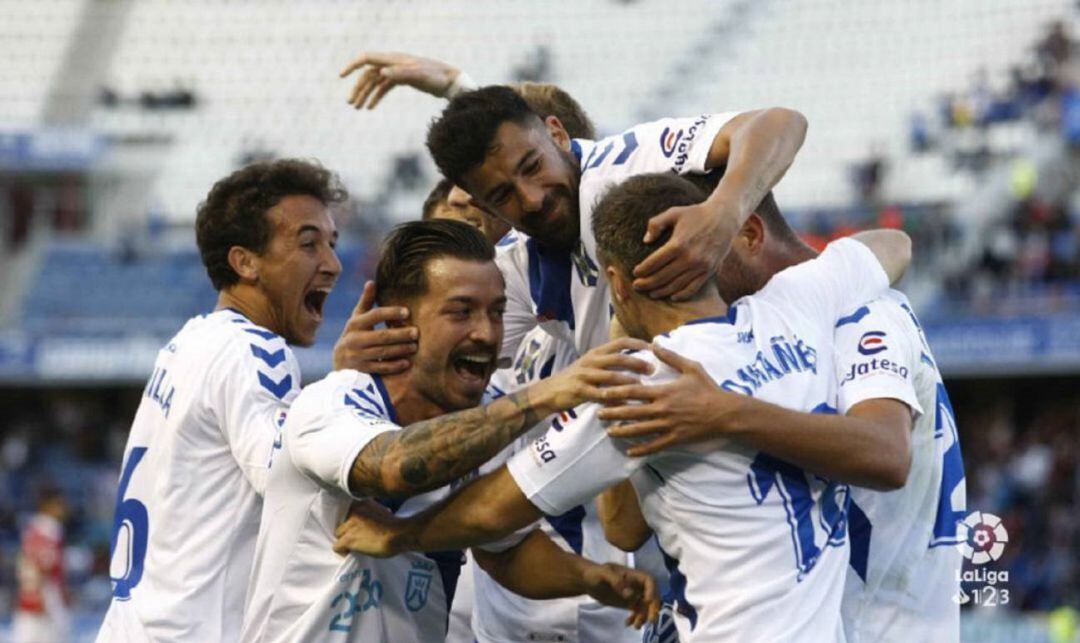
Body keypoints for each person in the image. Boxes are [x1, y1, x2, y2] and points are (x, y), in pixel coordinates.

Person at [332, 174, 913, 641]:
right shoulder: (796, 303)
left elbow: (493, 510)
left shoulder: (644, 385)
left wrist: (402, 534)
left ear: (614, 279)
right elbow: (891, 244)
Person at [241, 220, 659, 642]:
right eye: (461, 312)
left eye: (496, 311)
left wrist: (591, 577)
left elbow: (506, 549)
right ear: (397, 321)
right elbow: (394, 466)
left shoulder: (482, 427)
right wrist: (543, 395)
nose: (486, 333)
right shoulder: (331, 405)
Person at [594, 180, 967, 641]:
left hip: (879, 622)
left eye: (695, 249)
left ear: (746, 234)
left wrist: (724, 412)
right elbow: (624, 528)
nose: (687, 276)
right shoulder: (753, 338)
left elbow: (886, 454)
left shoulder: (862, 316)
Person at [96, 159, 347, 642]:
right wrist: (355, 385)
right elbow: (297, 490)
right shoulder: (255, 350)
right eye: (308, 242)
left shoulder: (186, 345)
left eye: (332, 245)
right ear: (245, 262)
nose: (332, 263)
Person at [14, 486, 69, 643]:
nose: (63, 507)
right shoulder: (49, 528)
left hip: (36, 589)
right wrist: (38, 594)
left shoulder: (33, 526)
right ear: (48, 505)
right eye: (59, 503)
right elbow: (39, 564)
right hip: (46, 590)